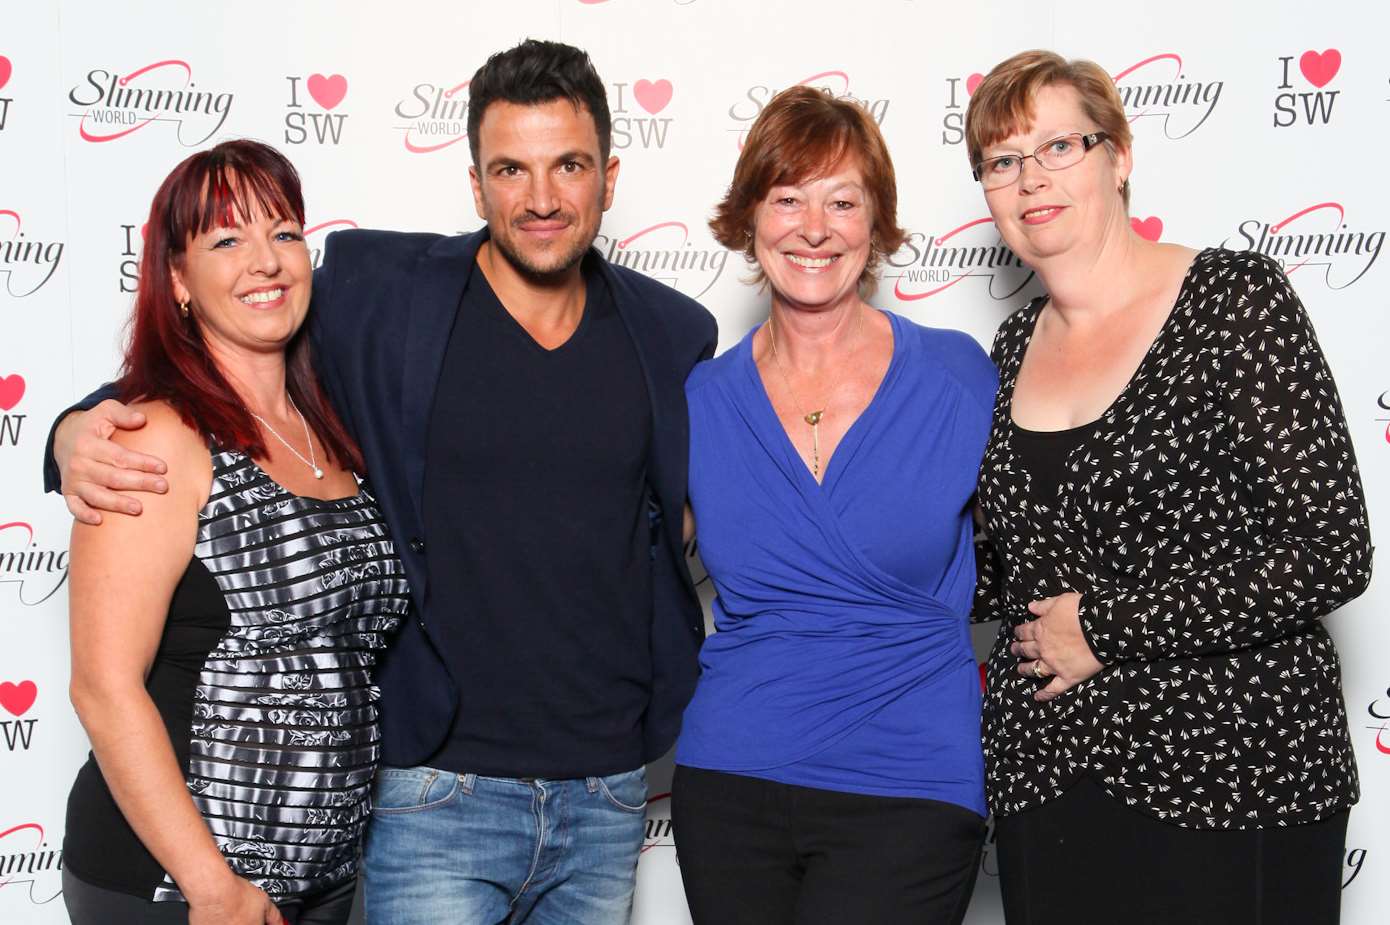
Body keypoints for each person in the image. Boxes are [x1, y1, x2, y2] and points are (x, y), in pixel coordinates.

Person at [48, 40, 716, 925]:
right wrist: (65, 435)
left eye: (570, 165)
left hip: (607, 795)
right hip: (434, 793)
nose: (543, 198)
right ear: (476, 185)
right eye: (512, 168)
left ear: (611, 176)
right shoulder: (381, 296)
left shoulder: (674, 332)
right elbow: (223, 337)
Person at [965, 50, 1373, 924]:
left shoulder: (1232, 300)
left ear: (1119, 156)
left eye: (1059, 146)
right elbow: (1001, 572)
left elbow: (1330, 549)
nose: (1030, 177)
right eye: (1002, 160)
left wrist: (1106, 628)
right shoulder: (1004, 355)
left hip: (1232, 761)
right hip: (1050, 771)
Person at [59, 140, 410, 925]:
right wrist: (209, 884)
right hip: (178, 888)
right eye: (227, 240)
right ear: (177, 281)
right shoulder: (153, 437)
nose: (266, 261)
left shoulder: (331, 427)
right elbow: (104, 686)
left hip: (319, 884)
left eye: (283, 233)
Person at [670, 86, 996, 925]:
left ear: (877, 223)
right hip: (732, 778)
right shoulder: (700, 398)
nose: (814, 228)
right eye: (787, 198)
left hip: (910, 780)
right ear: (750, 218)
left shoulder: (958, 378)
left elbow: (1040, 548)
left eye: (842, 201)